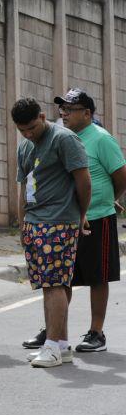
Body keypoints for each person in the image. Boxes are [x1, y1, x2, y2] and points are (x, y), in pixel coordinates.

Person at [23, 89, 126, 354]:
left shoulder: (101, 139)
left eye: (71, 109)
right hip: (64, 221)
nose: (65, 113)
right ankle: (54, 331)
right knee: (60, 277)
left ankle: (96, 332)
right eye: (62, 109)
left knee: (97, 276)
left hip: (96, 217)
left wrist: (108, 198)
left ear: (87, 113)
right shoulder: (57, 137)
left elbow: (121, 174)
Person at [10, 98, 91, 368]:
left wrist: (80, 216)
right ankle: (62, 345)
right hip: (35, 222)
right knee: (49, 285)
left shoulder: (64, 139)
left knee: (55, 283)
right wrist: (24, 225)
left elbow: (83, 179)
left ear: (43, 116)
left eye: (32, 127)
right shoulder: (24, 146)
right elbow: (24, 188)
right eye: (23, 130)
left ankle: (53, 345)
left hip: (59, 221)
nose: (29, 134)